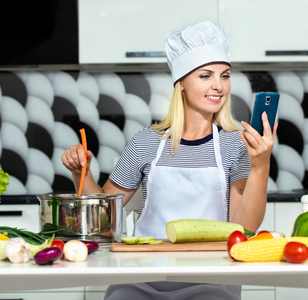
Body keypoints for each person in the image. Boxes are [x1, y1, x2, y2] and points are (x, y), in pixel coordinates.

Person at [62, 20, 277, 300]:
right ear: (182, 83)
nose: (219, 86)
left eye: (225, 75)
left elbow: (244, 228)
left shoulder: (235, 143)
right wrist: (82, 174)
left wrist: (261, 166)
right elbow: (103, 222)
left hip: (212, 278)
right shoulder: (146, 141)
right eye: (205, 76)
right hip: (139, 277)